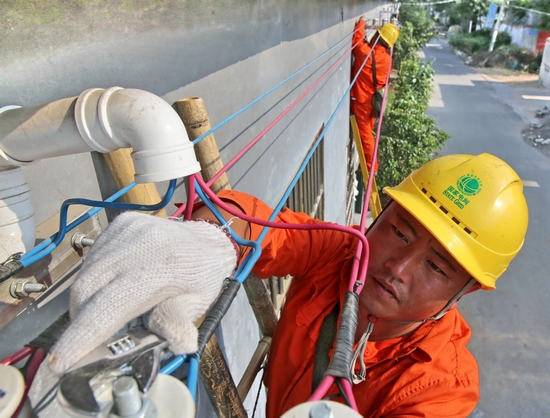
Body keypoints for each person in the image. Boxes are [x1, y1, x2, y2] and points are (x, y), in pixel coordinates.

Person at [48, 153, 528, 417]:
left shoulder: (439, 387)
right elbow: (264, 228)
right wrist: (210, 239)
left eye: (436, 268)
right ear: (379, 216)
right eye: (399, 232)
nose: (397, 267)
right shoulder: (341, 253)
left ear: (465, 291)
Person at [350, 18, 399, 173]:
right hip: (373, 101)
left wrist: (361, 21)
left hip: (362, 100)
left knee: (365, 136)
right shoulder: (387, 60)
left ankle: (372, 168)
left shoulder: (365, 53)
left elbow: (356, 40)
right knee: (368, 133)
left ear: (378, 37)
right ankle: (370, 165)